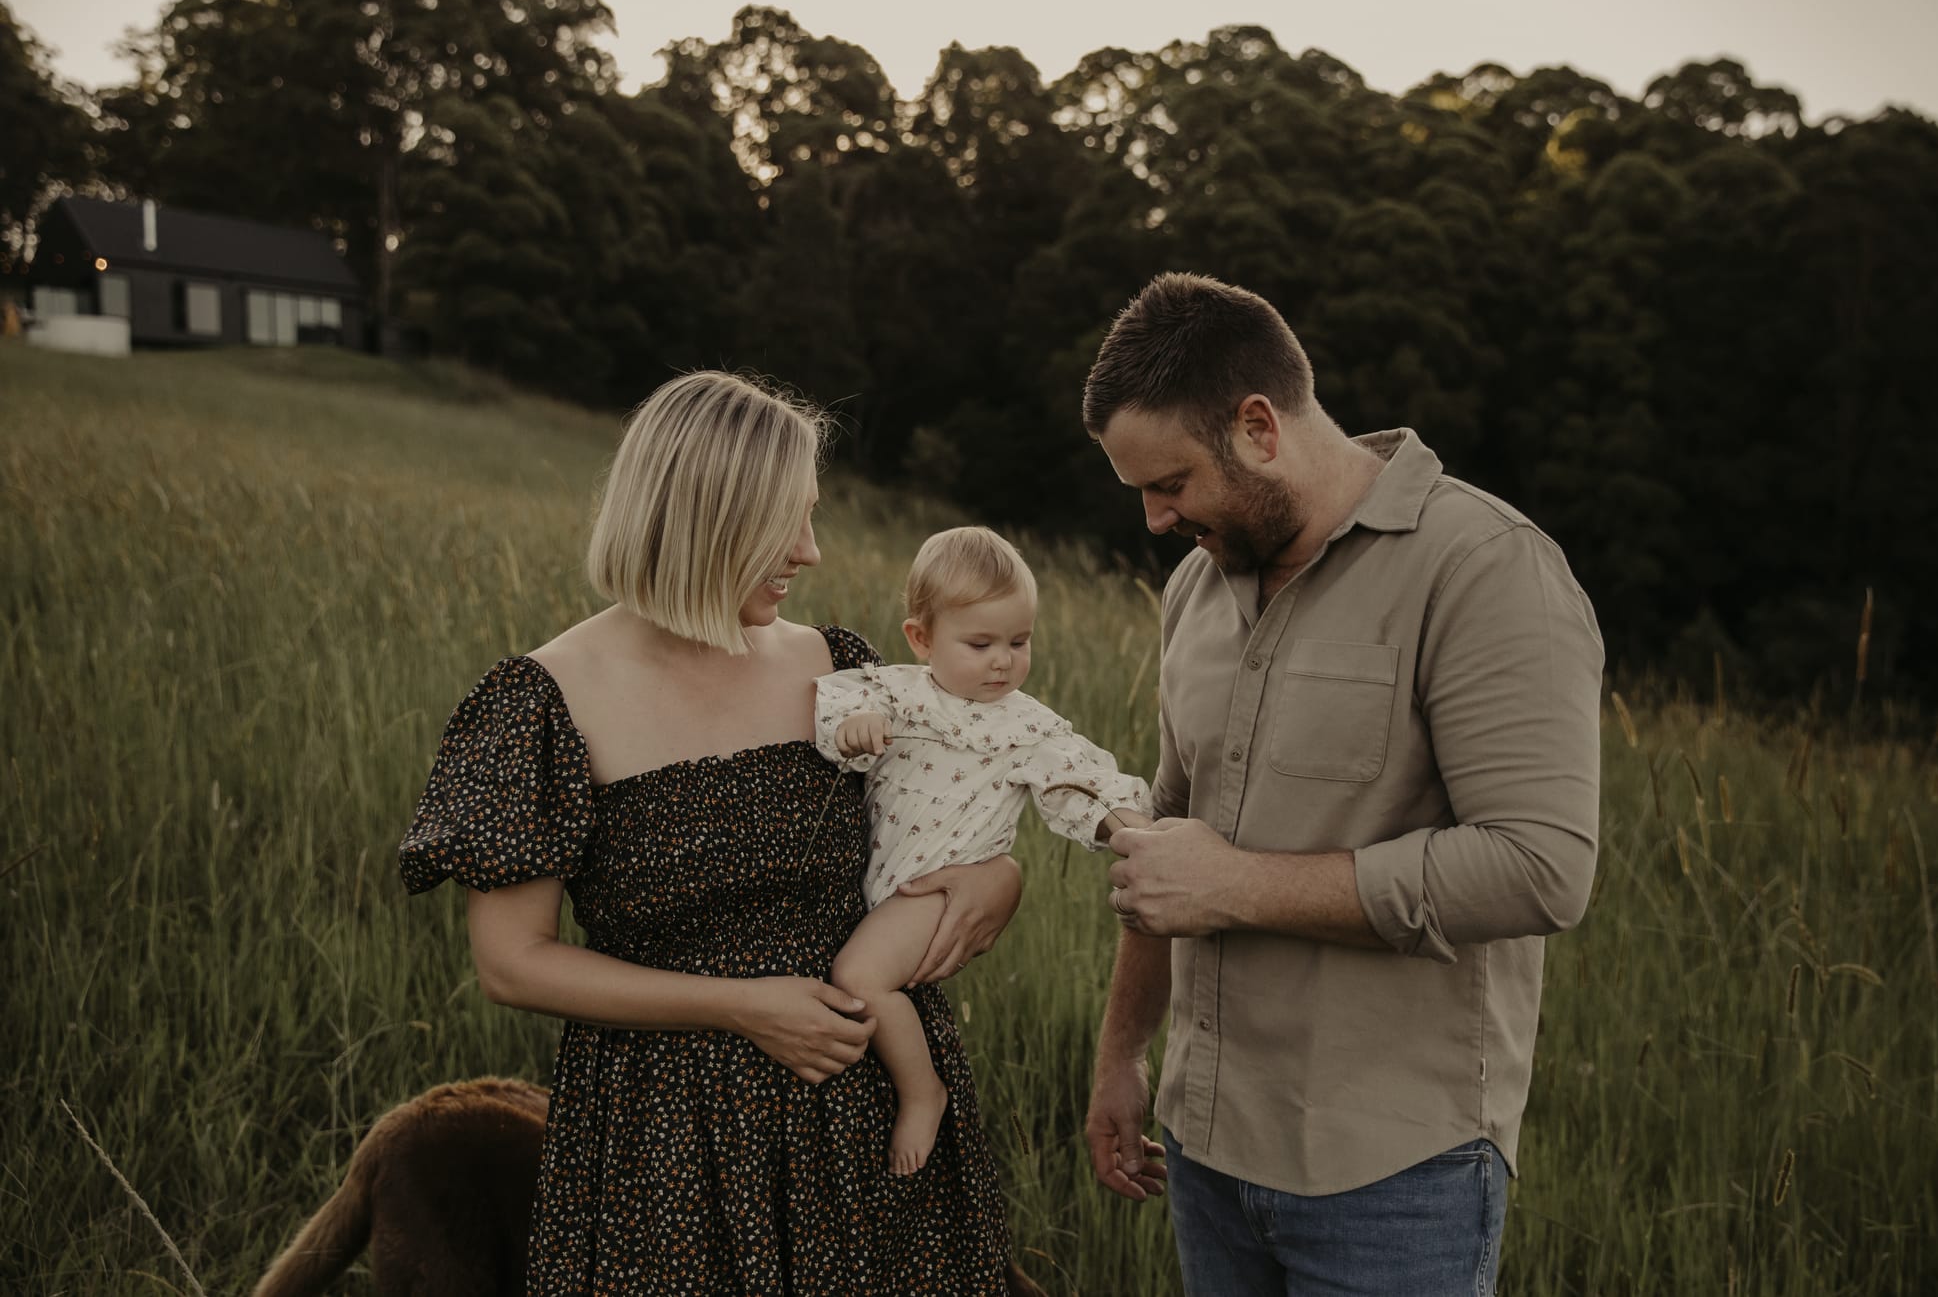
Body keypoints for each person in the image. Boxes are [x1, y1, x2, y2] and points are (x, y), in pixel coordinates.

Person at [397, 371, 1030, 1294]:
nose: (811, 551)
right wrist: (740, 1003)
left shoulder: (842, 668)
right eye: (787, 521)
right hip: (671, 1144)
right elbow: (512, 961)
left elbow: (950, 818)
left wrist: (998, 878)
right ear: (705, 516)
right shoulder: (545, 700)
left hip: (870, 1115)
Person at [1080, 274, 1604, 1296]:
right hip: (1203, 1145)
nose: (1152, 518)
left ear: (1258, 426)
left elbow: (1541, 869)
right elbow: (1168, 846)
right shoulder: (1196, 583)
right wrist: (1121, 1056)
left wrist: (1241, 885)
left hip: (1394, 1174)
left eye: (1171, 481)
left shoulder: (1485, 568)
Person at [815, 526, 1151, 1176]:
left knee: (858, 977)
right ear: (921, 639)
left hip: (936, 892)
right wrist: (852, 727)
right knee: (866, 977)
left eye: (1018, 642)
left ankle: (922, 1091)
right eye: (981, 643)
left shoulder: (1024, 725)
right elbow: (837, 701)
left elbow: (1082, 782)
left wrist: (1136, 831)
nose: (1003, 661)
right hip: (881, 886)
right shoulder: (898, 691)